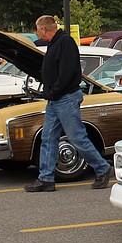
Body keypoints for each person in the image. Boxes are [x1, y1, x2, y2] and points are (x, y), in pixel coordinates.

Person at [24, 15, 112, 192]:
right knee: (48, 138)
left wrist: (54, 90)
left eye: (37, 29)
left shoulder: (65, 42)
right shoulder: (54, 43)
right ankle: (46, 179)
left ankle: (103, 169)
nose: (36, 32)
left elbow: (68, 72)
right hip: (55, 100)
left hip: (65, 98)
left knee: (77, 137)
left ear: (43, 29)